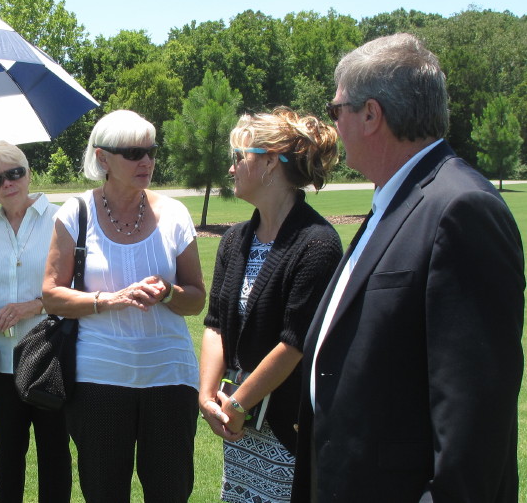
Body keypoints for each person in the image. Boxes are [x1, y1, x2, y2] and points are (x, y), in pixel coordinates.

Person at [292, 33, 525, 502]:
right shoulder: (397, 197)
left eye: (338, 110)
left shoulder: (461, 208)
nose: (334, 124)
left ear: (372, 115)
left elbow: (474, 410)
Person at [42, 109, 207, 503]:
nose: (146, 161)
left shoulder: (174, 214)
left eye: (150, 150)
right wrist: (108, 300)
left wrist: (168, 292)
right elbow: (51, 295)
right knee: (104, 492)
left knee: (170, 491)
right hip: (99, 379)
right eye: (134, 152)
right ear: (103, 158)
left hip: (169, 376)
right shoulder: (76, 213)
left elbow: (197, 298)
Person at [198, 108, 342, 503]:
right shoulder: (235, 240)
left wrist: (241, 403)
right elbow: (214, 323)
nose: (231, 169)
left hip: (284, 428)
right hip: (240, 426)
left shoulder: (317, 244)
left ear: (269, 161)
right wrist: (207, 396)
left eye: (239, 157)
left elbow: (294, 342)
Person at [0, 141, 72, 503]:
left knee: (54, 453)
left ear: (28, 173)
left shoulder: (63, 219)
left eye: (14, 173)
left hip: (51, 356)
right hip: (1, 361)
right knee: (8, 454)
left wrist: (32, 307)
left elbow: (78, 289)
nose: (7, 184)